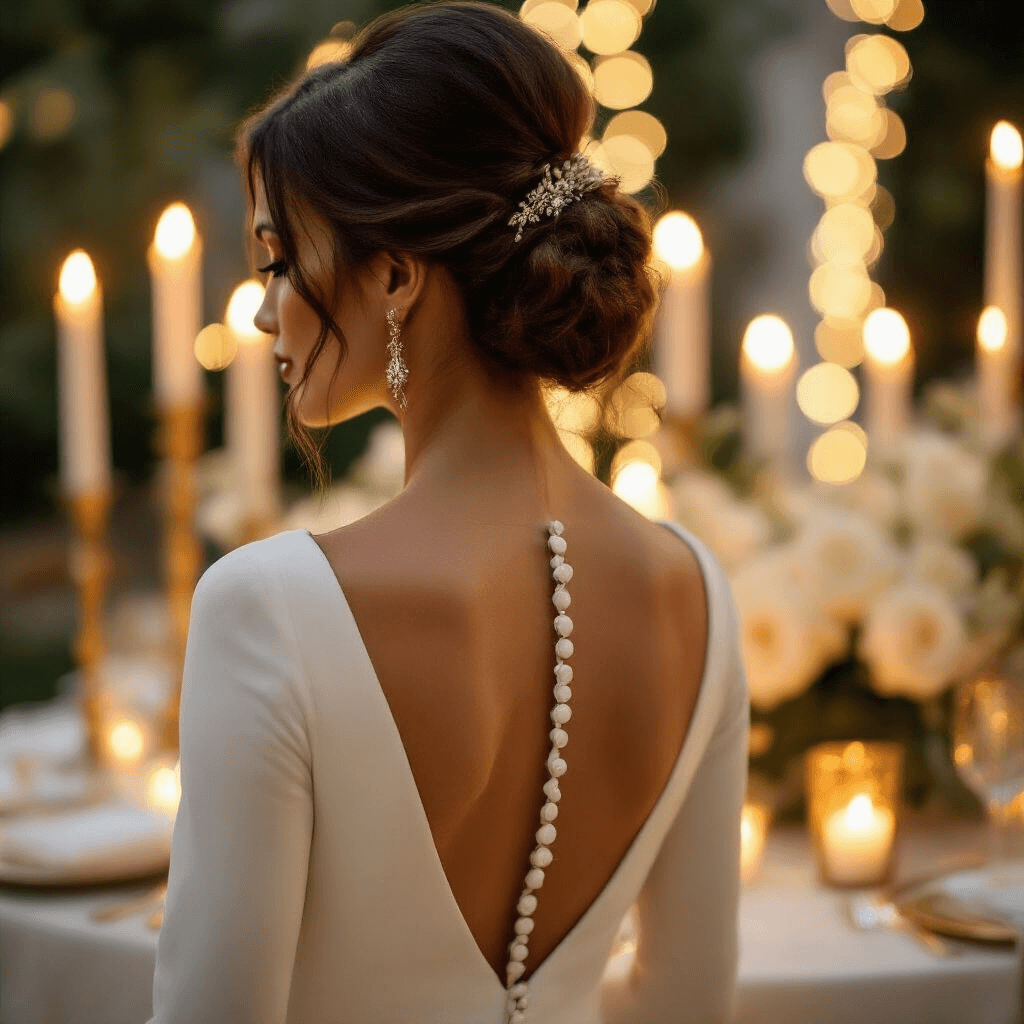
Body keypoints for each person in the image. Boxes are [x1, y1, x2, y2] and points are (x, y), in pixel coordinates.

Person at [146, 3, 749, 1022]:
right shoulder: (695, 591)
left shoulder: (267, 606)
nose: (261, 310)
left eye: (279, 262)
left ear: (392, 272)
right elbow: (687, 999)